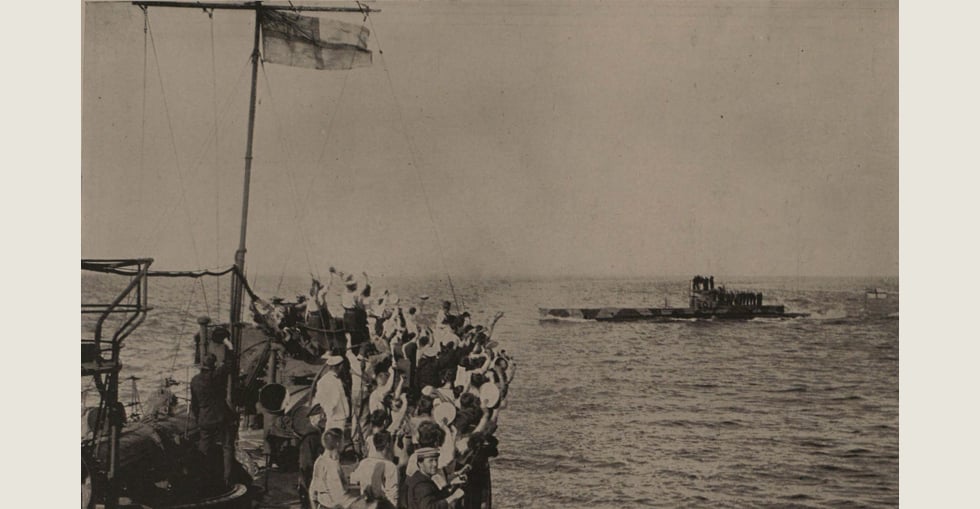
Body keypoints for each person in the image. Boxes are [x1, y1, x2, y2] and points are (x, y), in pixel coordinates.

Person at [190, 351, 237, 490]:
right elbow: (229, 364)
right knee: (227, 447)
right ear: (214, 365)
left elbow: (194, 404)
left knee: (203, 449)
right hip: (222, 418)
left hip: (204, 419)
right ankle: (228, 480)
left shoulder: (194, 380)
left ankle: (201, 479)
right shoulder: (216, 376)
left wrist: (199, 417)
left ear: (202, 365)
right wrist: (229, 346)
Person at [309, 428, 363, 509]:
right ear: (338, 444)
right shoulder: (333, 466)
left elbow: (312, 492)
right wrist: (361, 500)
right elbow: (340, 499)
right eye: (343, 440)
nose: (344, 444)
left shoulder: (320, 461)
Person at [350, 430, 400, 509]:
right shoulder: (391, 467)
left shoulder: (364, 463)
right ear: (388, 444)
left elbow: (353, 479)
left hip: (366, 505)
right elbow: (393, 495)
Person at [311, 353, 350, 432]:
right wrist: (329, 412)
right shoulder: (330, 381)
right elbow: (332, 399)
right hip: (336, 418)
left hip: (337, 417)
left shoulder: (328, 380)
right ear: (340, 367)